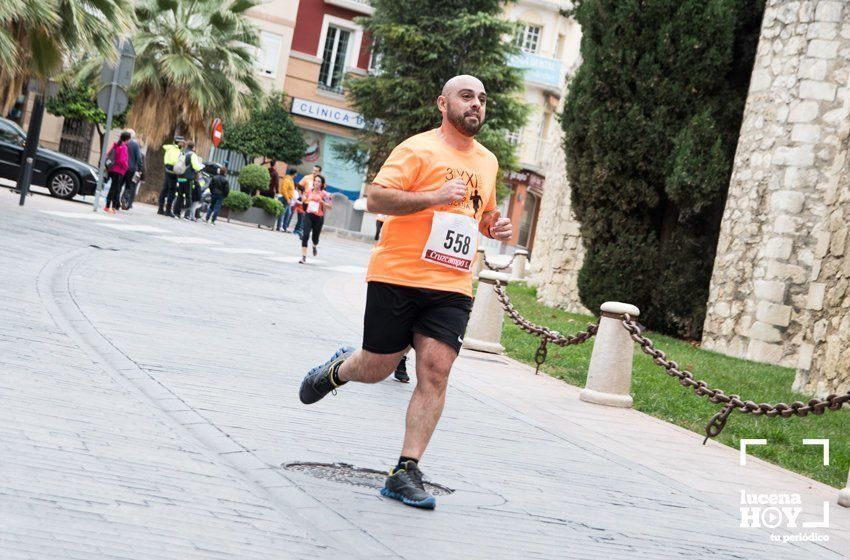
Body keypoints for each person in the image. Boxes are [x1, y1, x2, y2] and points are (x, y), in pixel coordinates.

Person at [298, 75, 512, 509]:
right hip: (397, 274)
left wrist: (495, 225)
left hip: (451, 282)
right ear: (442, 103)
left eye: (482, 100)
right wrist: (433, 196)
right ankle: (339, 369)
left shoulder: (488, 161)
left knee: (435, 369)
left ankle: (405, 470)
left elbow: (481, 212)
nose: (476, 105)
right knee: (378, 366)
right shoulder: (417, 149)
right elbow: (376, 199)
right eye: (467, 96)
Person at [298, 175, 332, 264]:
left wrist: (322, 202)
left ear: (322, 184)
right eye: (315, 181)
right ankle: (303, 257)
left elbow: (330, 207)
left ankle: (314, 246)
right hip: (308, 215)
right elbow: (304, 200)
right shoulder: (309, 191)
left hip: (318, 218)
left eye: (319, 181)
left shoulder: (325, 194)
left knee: (315, 238)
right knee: (305, 235)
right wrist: (305, 198)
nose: (316, 183)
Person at [174, 141, 204, 219]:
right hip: (188, 178)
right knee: (188, 195)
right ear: (193, 147)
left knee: (180, 194)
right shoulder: (192, 155)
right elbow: (195, 166)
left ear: (187, 145)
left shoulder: (182, 152)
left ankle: (176, 213)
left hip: (181, 177)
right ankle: (186, 214)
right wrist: (201, 166)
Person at [105, 131, 131, 213]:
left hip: (111, 169)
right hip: (118, 170)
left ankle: (109, 206)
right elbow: (122, 160)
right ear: (127, 139)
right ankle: (109, 207)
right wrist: (126, 166)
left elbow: (108, 154)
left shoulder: (116, 145)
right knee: (115, 189)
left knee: (113, 188)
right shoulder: (124, 147)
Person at [158, 136, 185, 216]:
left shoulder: (170, 148)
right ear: (178, 142)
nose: (183, 144)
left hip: (167, 170)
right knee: (171, 191)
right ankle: (168, 211)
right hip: (173, 171)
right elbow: (174, 161)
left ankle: (160, 209)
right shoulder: (176, 150)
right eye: (182, 142)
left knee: (164, 189)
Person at [121, 129, 144, 209]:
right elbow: (139, 158)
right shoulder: (135, 145)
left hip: (122, 167)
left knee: (119, 185)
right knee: (129, 186)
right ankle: (125, 199)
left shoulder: (122, 143)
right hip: (131, 169)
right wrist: (140, 169)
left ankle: (115, 203)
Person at [277, 168, 296, 232]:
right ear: (294, 174)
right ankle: (279, 227)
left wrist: (291, 198)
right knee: (282, 213)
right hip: (284, 198)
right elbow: (284, 190)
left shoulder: (291, 180)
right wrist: (287, 199)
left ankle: (285, 227)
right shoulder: (287, 180)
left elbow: (290, 190)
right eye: (296, 174)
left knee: (288, 213)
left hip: (289, 199)